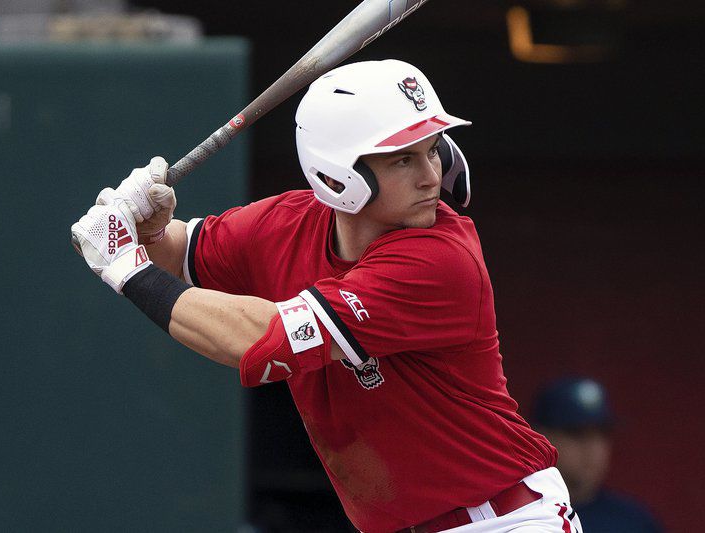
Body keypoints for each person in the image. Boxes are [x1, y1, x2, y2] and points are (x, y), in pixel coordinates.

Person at [71, 59, 583, 533]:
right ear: (339, 174)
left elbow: (262, 339)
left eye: (432, 150)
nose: (431, 176)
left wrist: (126, 268)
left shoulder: (439, 260)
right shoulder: (286, 224)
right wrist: (152, 233)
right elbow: (184, 254)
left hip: (505, 519)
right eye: (403, 160)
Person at [532, 377, 663, 533]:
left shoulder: (634, 522)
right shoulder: (517, 515)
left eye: (602, 433)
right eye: (576, 433)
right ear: (541, 437)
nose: (593, 448)